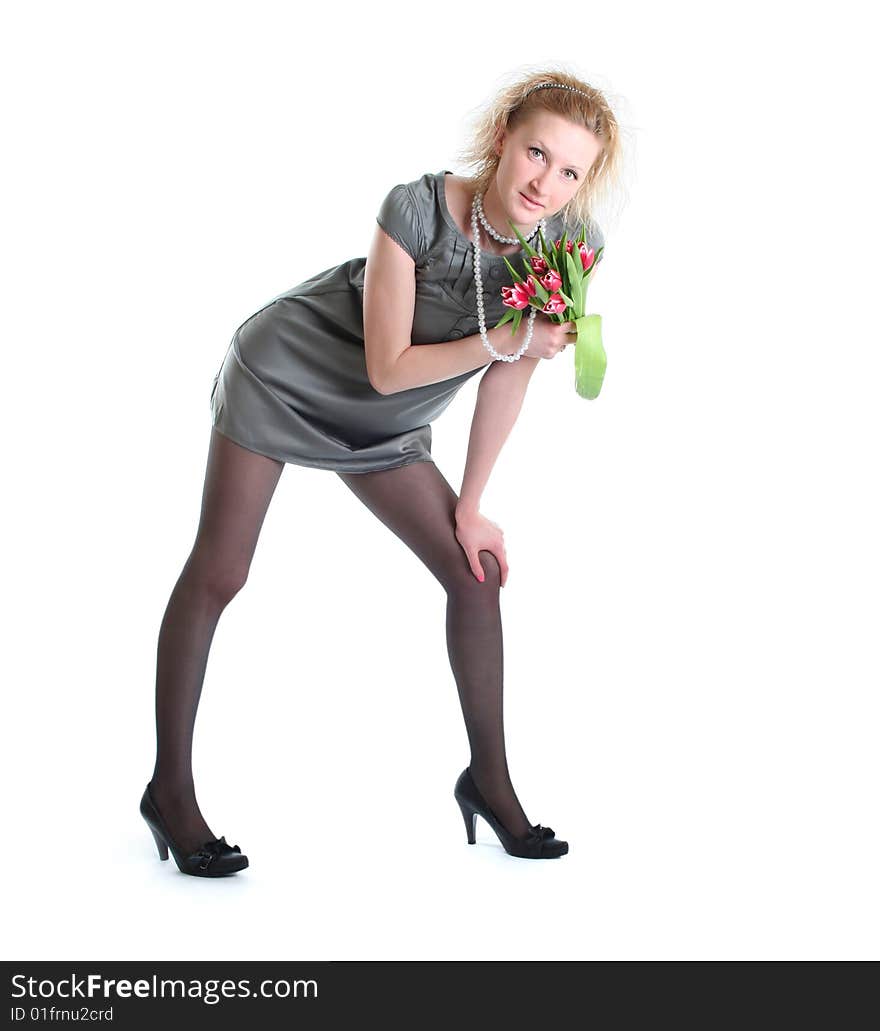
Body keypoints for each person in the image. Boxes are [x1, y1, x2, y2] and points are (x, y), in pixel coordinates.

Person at [140, 68, 621, 876]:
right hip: (287, 375)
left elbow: (514, 373)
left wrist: (471, 505)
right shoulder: (417, 209)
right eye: (537, 152)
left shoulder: (572, 248)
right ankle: (170, 792)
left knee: (477, 574)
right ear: (504, 135)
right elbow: (392, 366)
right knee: (221, 572)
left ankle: (489, 782)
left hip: (386, 431)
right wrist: (509, 339)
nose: (546, 181)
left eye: (570, 170)